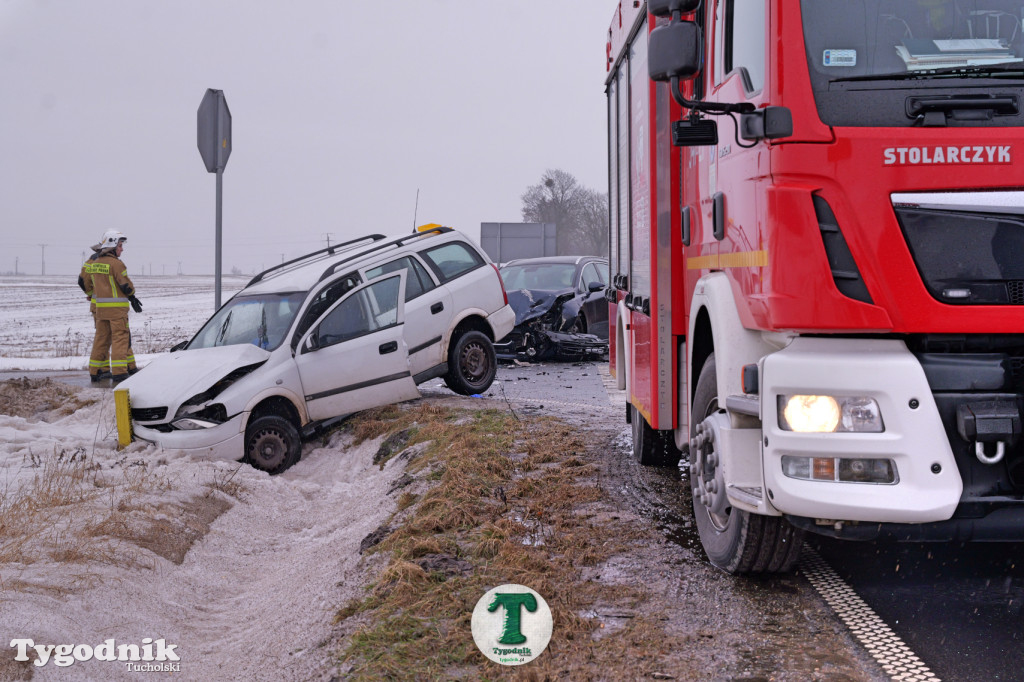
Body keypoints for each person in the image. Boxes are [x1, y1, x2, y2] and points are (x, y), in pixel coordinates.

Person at [78, 230, 142, 384]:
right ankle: (120, 372)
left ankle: (95, 371)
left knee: (101, 339)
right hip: (117, 310)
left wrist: (91, 294)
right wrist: (132, 296)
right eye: (120, 245)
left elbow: (83, 281)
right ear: (113, 246)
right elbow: (126, 285)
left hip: (100, 309)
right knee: (120, 339)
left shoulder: (94, 262)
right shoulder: (116, 264)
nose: (122, 249)